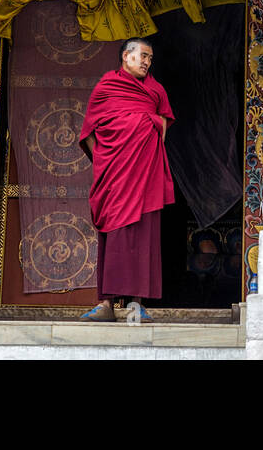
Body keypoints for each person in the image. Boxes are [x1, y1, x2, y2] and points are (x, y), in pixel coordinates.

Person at [78, 37, 175, 322]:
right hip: (114, 173)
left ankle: (136, 303)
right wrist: (105, 164)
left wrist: (149, 128)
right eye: (142, 55)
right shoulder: (106, 87)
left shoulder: (155, 90)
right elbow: (90, 130)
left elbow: (162, 129)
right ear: (125, 56)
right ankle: (106, 304)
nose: (147, 61)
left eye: (150, 58)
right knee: (113, 235)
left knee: (143, 237)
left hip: (144, 175)